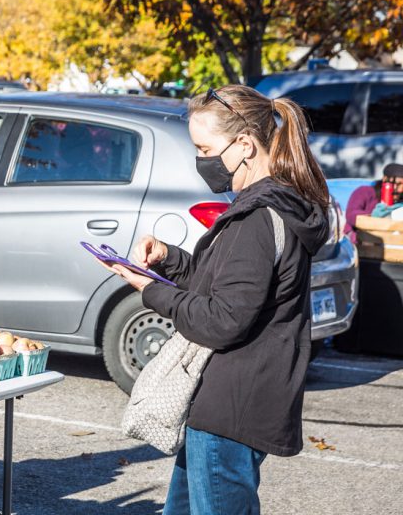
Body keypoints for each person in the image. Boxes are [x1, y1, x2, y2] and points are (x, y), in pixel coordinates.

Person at [102, 85, 330, 514]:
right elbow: (222, 285)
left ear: (245, 145)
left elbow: (222, 320)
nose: (202, 160)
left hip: (231, 408)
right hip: (232, 402)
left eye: (205, 148)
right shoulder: (270, 207)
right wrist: (167, 260)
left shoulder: (258, 219)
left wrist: (148, 291)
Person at [344, 163, 403, 242]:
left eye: (399, 184)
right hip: (361, 241)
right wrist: (374, 216)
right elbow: (351, 214)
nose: (395, 188)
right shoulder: (365, 192)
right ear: (384, 180)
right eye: (391, 183)